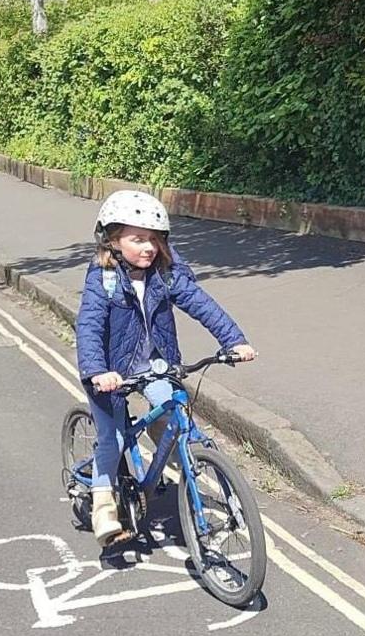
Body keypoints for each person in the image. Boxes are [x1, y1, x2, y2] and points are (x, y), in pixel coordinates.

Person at [75, 190, 256, 546]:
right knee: (111, 438)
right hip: (111, 371)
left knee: (175, 417)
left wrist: (233, 340)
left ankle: (182, 466)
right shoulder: (103, 278)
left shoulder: (166, 275)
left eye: (154, 240)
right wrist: (98, 370)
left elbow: (201, 304)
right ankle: (102, 504)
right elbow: (90, 326)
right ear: (112, 241)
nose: (148, 248)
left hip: (155, 363)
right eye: (137, 239)